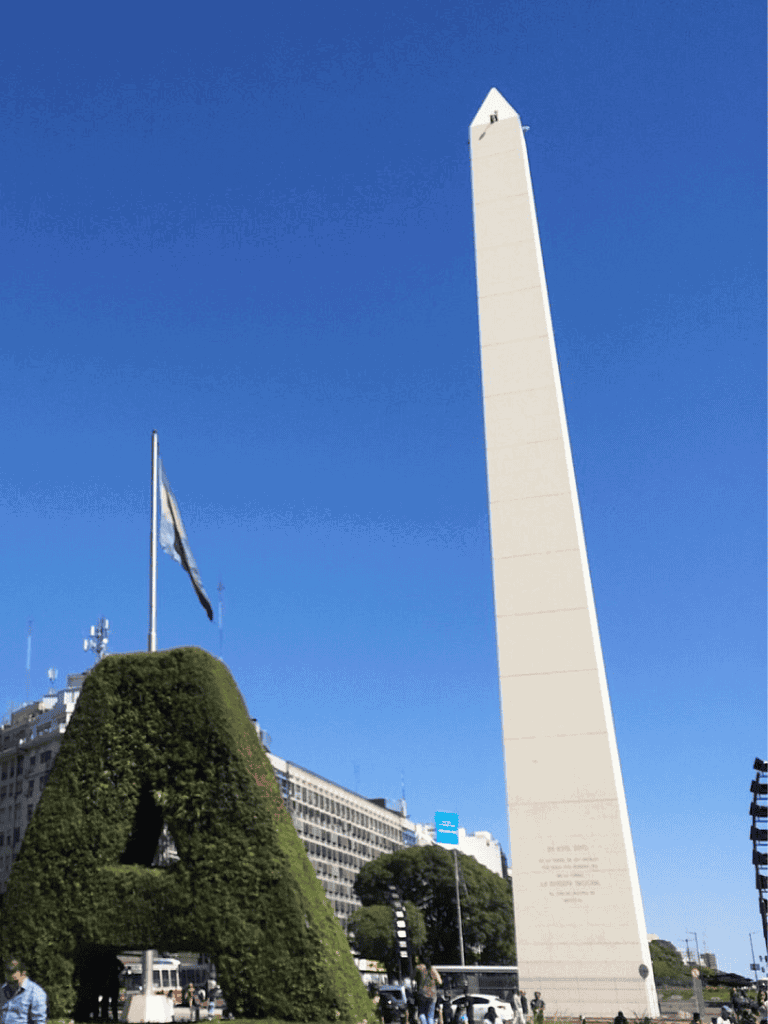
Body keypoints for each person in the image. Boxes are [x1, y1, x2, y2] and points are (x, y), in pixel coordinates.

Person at [0, 958, 47, 1024]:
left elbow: (39, 1021)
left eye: (12, 971)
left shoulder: (35, 992)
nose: (8, 975)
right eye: (6, 971)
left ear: (23, 973)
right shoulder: (2, 989)